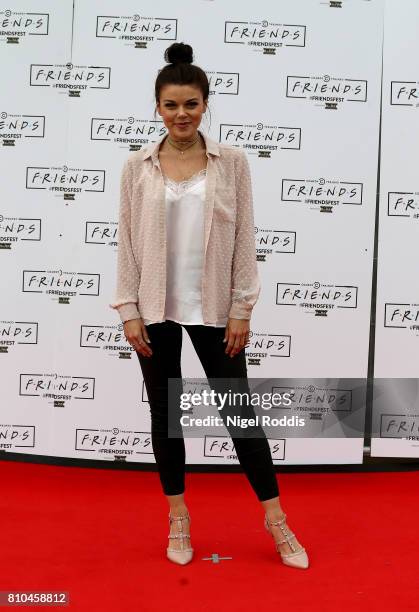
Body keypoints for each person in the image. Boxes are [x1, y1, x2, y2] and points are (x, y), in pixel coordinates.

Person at [110, 42, 309, 569]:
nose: (181, 114)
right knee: (165, 413)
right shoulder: (136, 167)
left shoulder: (232, 164)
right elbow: (125, 241)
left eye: (191, 104)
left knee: (240, 415)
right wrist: (128, 308)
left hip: (215, 310)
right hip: (155, 309)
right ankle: (178, 518)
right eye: (171, 105)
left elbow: (245, 237)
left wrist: (242, 307)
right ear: (157, 108)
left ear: (205, 105)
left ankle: (277, 520)